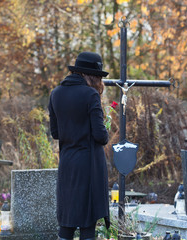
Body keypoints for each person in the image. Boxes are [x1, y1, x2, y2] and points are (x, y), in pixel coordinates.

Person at [48, 52, 110, 240]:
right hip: (88, 165)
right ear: (91, 75)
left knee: (67, 220)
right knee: (87, 222)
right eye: (98, 77)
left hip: (67, 163)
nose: (99, 81)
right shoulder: (90, 94)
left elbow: (56, 133)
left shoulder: (56, 93)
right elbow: (101, 136)